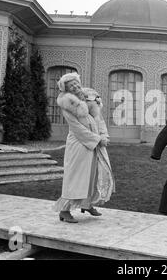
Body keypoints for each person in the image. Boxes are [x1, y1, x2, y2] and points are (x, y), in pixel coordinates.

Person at [53, 73, 114, 223]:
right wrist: (97, 139)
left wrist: (103, 135)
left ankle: (87, 204)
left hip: (92, 144)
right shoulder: (67, 103)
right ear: (66, 89)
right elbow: (76, 128)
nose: (75, 86)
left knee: (92, 175)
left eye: (75, 83)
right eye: (70, 85)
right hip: (79, 144)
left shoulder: (87, 98)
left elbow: (98, 119)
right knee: (76, 177)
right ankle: (64, 210)